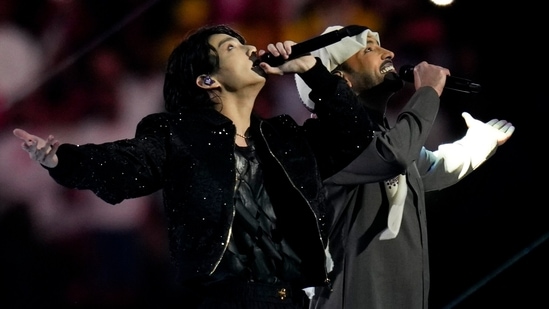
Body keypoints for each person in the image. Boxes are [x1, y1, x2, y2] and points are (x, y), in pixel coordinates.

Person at [12, 24, 376, 308]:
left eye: (246, 44)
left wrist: (312, 69)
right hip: (229, 303)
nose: (252, 49)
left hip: (297, 300)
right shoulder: (181, 136)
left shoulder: (284, 138)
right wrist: (64, 159)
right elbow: (129, 162)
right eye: (233, 47)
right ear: (208, 80)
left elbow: (355, 134)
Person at [294, 25, 515, 309]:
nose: (389, 53)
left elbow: (429, 167)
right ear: (340, 79)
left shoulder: (382, 138)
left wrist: (479, 143)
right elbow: (394, 156)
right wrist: (427, 94)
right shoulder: (326, 138)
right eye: (369, 49)